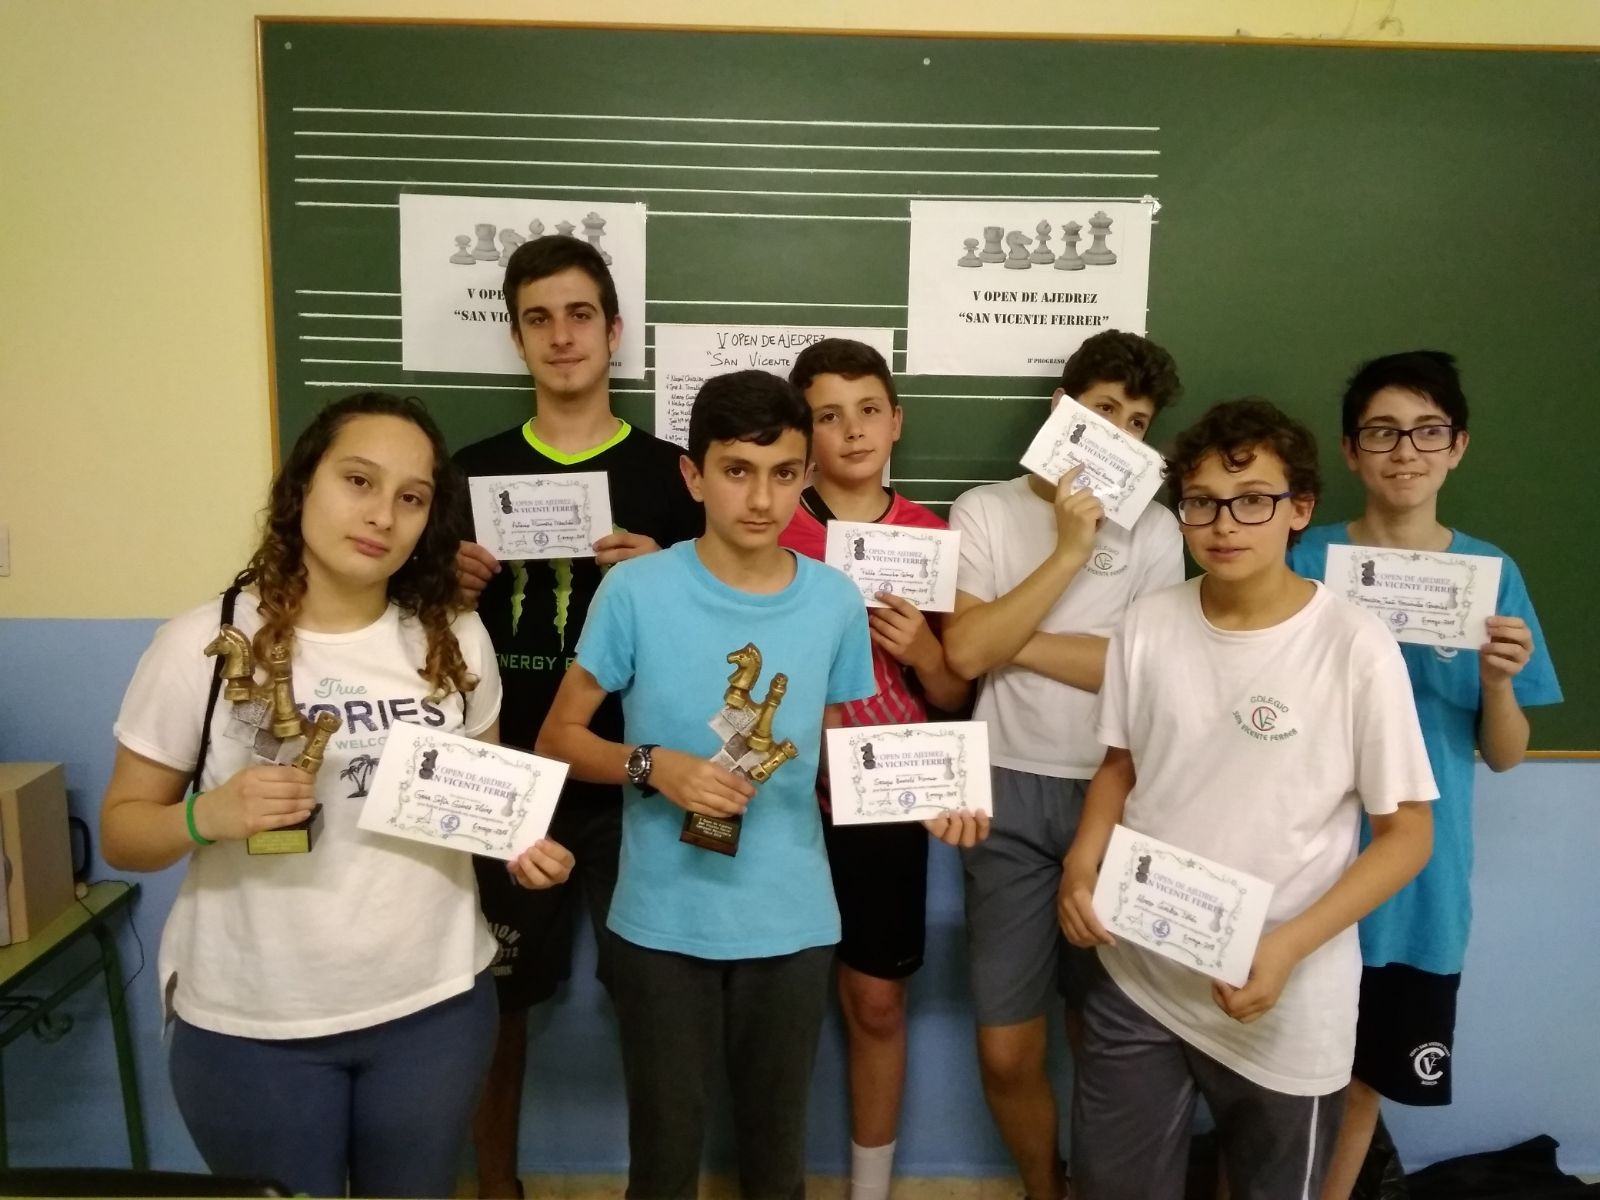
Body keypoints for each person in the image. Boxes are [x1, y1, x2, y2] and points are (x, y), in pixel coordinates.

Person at [100, 392, 574, 1199]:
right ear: (303, 486)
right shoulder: (203, 645)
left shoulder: (455, 638)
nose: (382, 515)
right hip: (256, 1023)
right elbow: (122, 832)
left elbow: (483, 794)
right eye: (359, 481)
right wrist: (206, 815)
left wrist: (519, 841)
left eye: (412, 498)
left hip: (435, 1007)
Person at [538, 370, 984, 1198]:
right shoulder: (636, 591)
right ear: (693, 475)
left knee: (776, 1158)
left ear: (806, 474)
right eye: (737, 471)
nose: (760, 499)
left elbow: (840, 747)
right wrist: (654, 765)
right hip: (661, 919)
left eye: (783, 474)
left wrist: (926, 797)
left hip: (791, 918)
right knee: (664, 1155)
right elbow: (559, 738)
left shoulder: (833, 600)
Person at [1058, 398, 1437, 1200]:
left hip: (1284, 993)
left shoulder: (1354, 646)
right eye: (1201, 503)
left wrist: (1289, 947)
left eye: (1253, 500)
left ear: (1300, 509)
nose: (1225, 524)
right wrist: (1082, 867)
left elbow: (1407, 834)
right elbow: (1120, 766)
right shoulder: (1147, 623)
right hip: (1141, 971)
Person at [453, 235, 701, 1198]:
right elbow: (416, 639)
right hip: (504, 778)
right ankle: (498, 1187)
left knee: (658, 1004)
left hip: (636, 778)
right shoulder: (468, 474)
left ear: (615, 331)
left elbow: (731, 620)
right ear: (517, 339)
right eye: (539, 319)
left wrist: (668, 575)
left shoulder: (676, 477)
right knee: (495, 1005)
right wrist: (443, 586)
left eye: (580, 315)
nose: (562, 336)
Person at [1284, 352, 1563, 1200]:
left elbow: (1505, 754)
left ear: (1458, 446)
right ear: (1350, 449)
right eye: (1382, 432)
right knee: (1276, 1067)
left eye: (1427, 431)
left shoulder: (1492, 574)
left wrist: (1499, 682)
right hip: (1306, 855)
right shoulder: (1304, 557)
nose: (1405, 451)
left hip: (1423, 883)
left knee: (1368, 1075)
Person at [941, 330, 1184, 1199]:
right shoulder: (984, 510)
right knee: (1007, 1046)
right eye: (1104, 410)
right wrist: (1070, 550)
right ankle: (1046, 1187)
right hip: (1002, 791)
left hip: (1117, 794)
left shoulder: (1156, 527)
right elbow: (963, 652)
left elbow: (1147, 670)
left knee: (1107, 1035)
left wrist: (1012, 639)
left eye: (1138, 422)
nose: (1119, 432)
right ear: (1061, 410)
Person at [778, 338, 973, 1200]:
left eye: (867, 411)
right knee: (773, 1006)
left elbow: (953, 692)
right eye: (828, 416)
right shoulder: (774, 524)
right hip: (782, 798)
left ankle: (869, 1190)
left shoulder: (931, 536)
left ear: (896, 421)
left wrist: (926, 651)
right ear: (804, 433)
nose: (852, 431)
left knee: (877, 1004)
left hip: (887, 800)